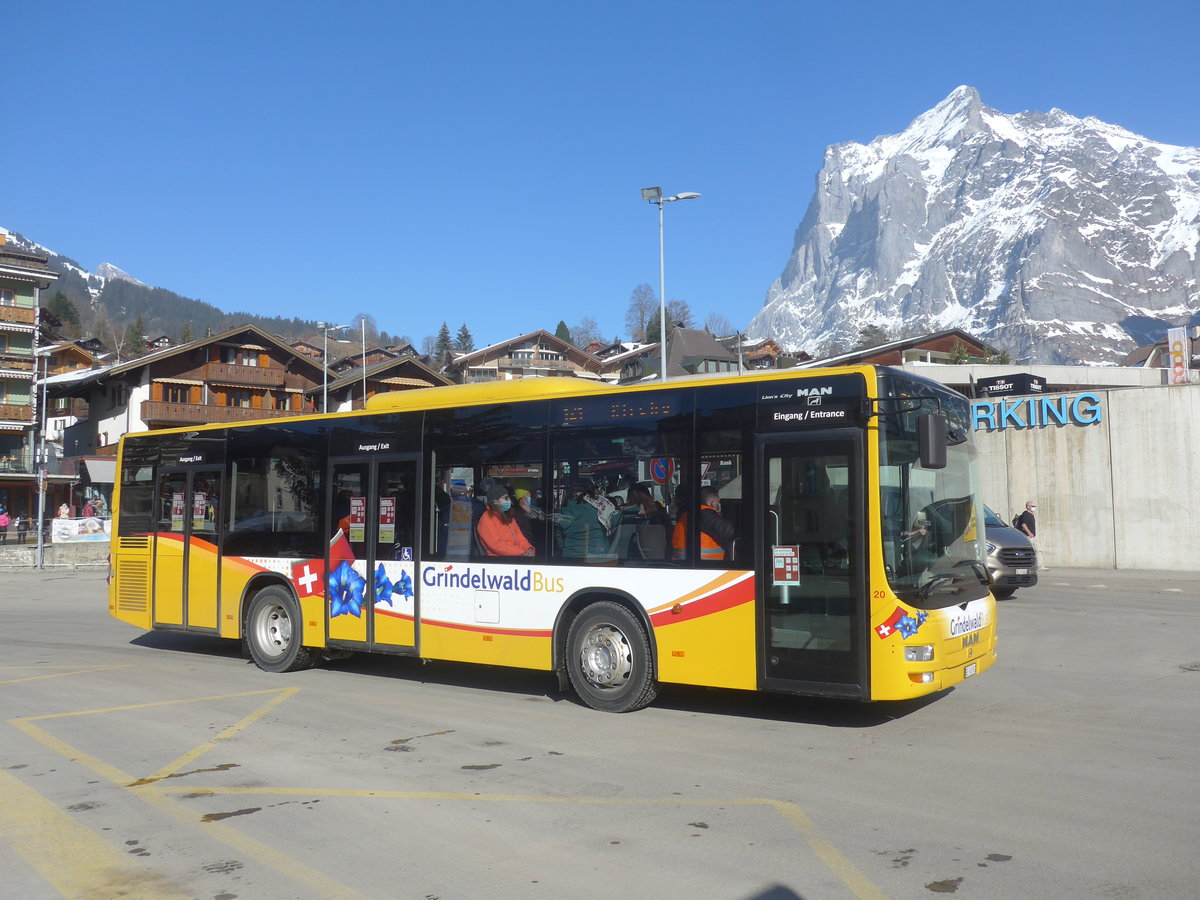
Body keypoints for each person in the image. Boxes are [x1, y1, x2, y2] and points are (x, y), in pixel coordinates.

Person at [557, 478, 615, 560]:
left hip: (570, 557)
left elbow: (559, 535)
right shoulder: (600, 507)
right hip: (598, 557)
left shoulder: (565, 508)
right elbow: (614, 525)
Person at [672, 486, 735, 561]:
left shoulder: (689, 514)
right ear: (713, 502)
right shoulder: (705, 514)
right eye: (718, 502)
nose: (719, 505)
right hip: (706, 565)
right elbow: (728, 531)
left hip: (686, 564)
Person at [476, 484, 534, 557]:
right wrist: (522, 552)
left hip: (516, 557)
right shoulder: (487, 518)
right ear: (495, 501)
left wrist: (528, 548)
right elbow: (496, 546)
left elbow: (520, 537)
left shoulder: (508, 516)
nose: (509, 501)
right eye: (505, 498)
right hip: (499, 560)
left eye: (508, 498)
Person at [1015, 500, 1044, 569]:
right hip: (1029, 536)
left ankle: (1039, 565)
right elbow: (1023, 524)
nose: (1034, 507)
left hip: (1033, 536)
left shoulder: (1031, 514)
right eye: (1033, 506)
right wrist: (1029, 533)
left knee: (1038, 551)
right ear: (1028, 507)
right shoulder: (1026, 514)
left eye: (1035, 506)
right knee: (1035, 550)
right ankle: (1037, 566)